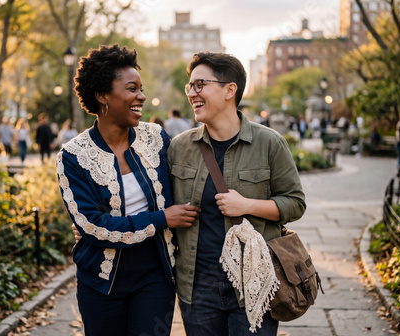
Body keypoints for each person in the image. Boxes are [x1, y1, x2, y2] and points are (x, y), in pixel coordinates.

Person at [57, 44, 199, 336]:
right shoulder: (73, 156)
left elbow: (191, 176)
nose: (142, 96)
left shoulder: (156, 138)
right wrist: (162, 218)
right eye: (132, 88)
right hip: (101, 281)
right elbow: (93, 225)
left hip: (155, 275)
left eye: (141, 88)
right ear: (102, 96)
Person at [168, 52, 306, 335]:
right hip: (198, 287)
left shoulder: (269, 143)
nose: (192, 93)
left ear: (230, 89)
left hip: (254, 283)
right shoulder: (179, 147)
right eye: (190, 86)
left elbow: (295, 203)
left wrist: (247, 205)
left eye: (200, 85)